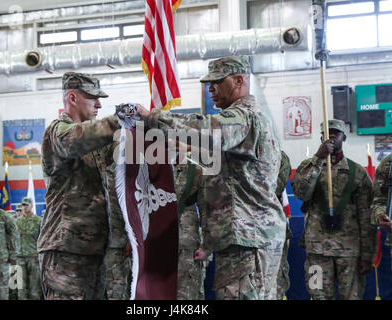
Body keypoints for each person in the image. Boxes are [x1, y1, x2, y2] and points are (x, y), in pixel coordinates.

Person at [137, 55, 286, 300]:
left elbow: (211, 130)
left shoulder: (244, 116)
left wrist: (153, 118)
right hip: (246, 237)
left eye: (217, 82)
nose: (211, 89)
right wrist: (187, 149)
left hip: (248, 238)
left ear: (239, 80)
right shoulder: (245, 118)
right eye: (209, 83)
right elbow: (227, 163)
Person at [38, 72, 122, 300]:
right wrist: (118, 119)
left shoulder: (97, 143)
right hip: (66, 250)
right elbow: (76, 140)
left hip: (95, 250)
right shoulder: (57, 132)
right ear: (73, 98)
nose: (99, 104)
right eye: (92, 97)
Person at [292, 119, 376, 300]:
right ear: (321, 137)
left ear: (344, 137)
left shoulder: (357, 172)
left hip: (349, 252)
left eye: (335, 133)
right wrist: (318, 159)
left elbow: (366, 216)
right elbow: (301, 193)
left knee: (352, 297)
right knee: (318, 296)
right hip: (317, 250)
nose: (331, 137)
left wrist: (367, 255)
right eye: (327, 134)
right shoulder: (308, 166)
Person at [174, 161, 206, 300]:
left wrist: (207, 247)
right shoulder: (150, 168)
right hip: (154, 248)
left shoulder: (195, 170)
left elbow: (207, 210)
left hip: (186, 249)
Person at [16, 197, 41, 300]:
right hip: (20, 257)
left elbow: (42, 239)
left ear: (31, 206)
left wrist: (39, 254)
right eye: (23, 205)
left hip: (33, 257)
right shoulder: (18, 222)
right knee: (21, 287)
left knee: (34, 288)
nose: (25, 207)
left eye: (27, 205)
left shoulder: (38, 221)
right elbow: (13, 238)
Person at [275, 151, 292, 300]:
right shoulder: (231, 152)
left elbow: (276, 187)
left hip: (272, 231)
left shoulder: (279, 156)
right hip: (240, 232)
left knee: (276, 282)